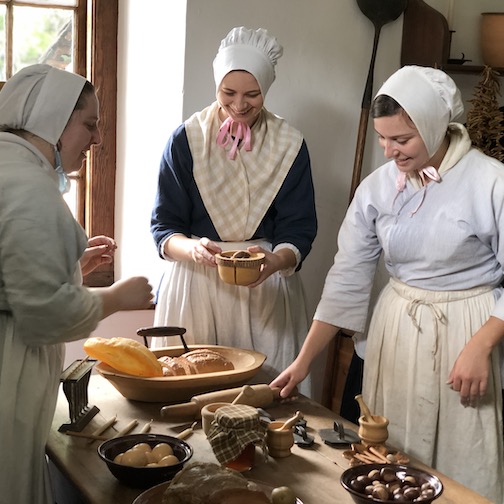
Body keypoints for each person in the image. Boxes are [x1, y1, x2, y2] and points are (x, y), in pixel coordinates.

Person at [271, 65, 504, 502]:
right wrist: (304, 362)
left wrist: (481, 345)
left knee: (461, 451)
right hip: (397, 329)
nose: (389, 151)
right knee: (390, 453)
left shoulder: (491, 182)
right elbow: (348, 277)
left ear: (436, 126)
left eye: (401, 140)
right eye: (382, 139)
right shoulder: (378, 188)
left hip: (467, 329)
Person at [0, 64, 154, 504]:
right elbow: (45, 317)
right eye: (89, 125)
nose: (97, 140)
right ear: (53, 120)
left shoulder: (9, 168)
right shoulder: (29, 187)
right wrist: (114, 297)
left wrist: (71, 269)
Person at [150, 26, 317, 390]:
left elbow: (298, 227)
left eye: (252, 94)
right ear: (216, 86)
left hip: (265, 286)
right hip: (196, 283)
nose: (239, 105)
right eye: (229, 93)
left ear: (266, 90)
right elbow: (164, 226)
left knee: (266, 397)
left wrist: (276, 261)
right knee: (188, 390)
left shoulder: (289, 144)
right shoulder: (188, 139)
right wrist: (192, 249)